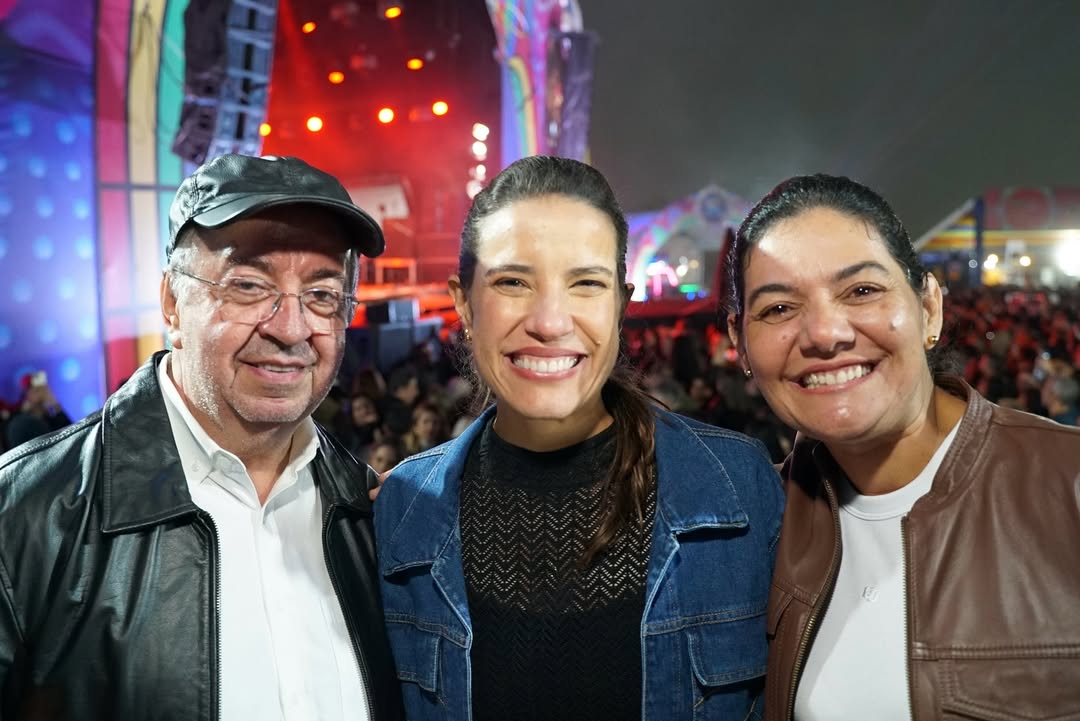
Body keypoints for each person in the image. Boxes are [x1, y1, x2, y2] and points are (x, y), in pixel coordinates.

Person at [374, 156, 784, 721]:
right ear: (465, 303)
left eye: (586, 283)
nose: (549, 320)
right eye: (513, 282)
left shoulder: (740, 486)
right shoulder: (401, 508)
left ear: (621, 304)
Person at [0, 154, 405, 721]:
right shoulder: (26, 513)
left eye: (322, 296)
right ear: (172, 303)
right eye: (247, 285)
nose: (290, 328)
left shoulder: (379, 516)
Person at [723, 173, 1080, 721]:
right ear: (739, 344)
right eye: (778, 309)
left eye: (861, 291)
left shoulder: (1067, 485)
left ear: (929, 308)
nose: (824, 333)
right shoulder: (742, 532)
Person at [4, 370, 73, 449]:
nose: (42, 393)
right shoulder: (18, 419)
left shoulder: (52, 418)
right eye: (36, 390)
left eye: (44, 390)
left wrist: (54, 403)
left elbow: (70, 434)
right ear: (27, 393)